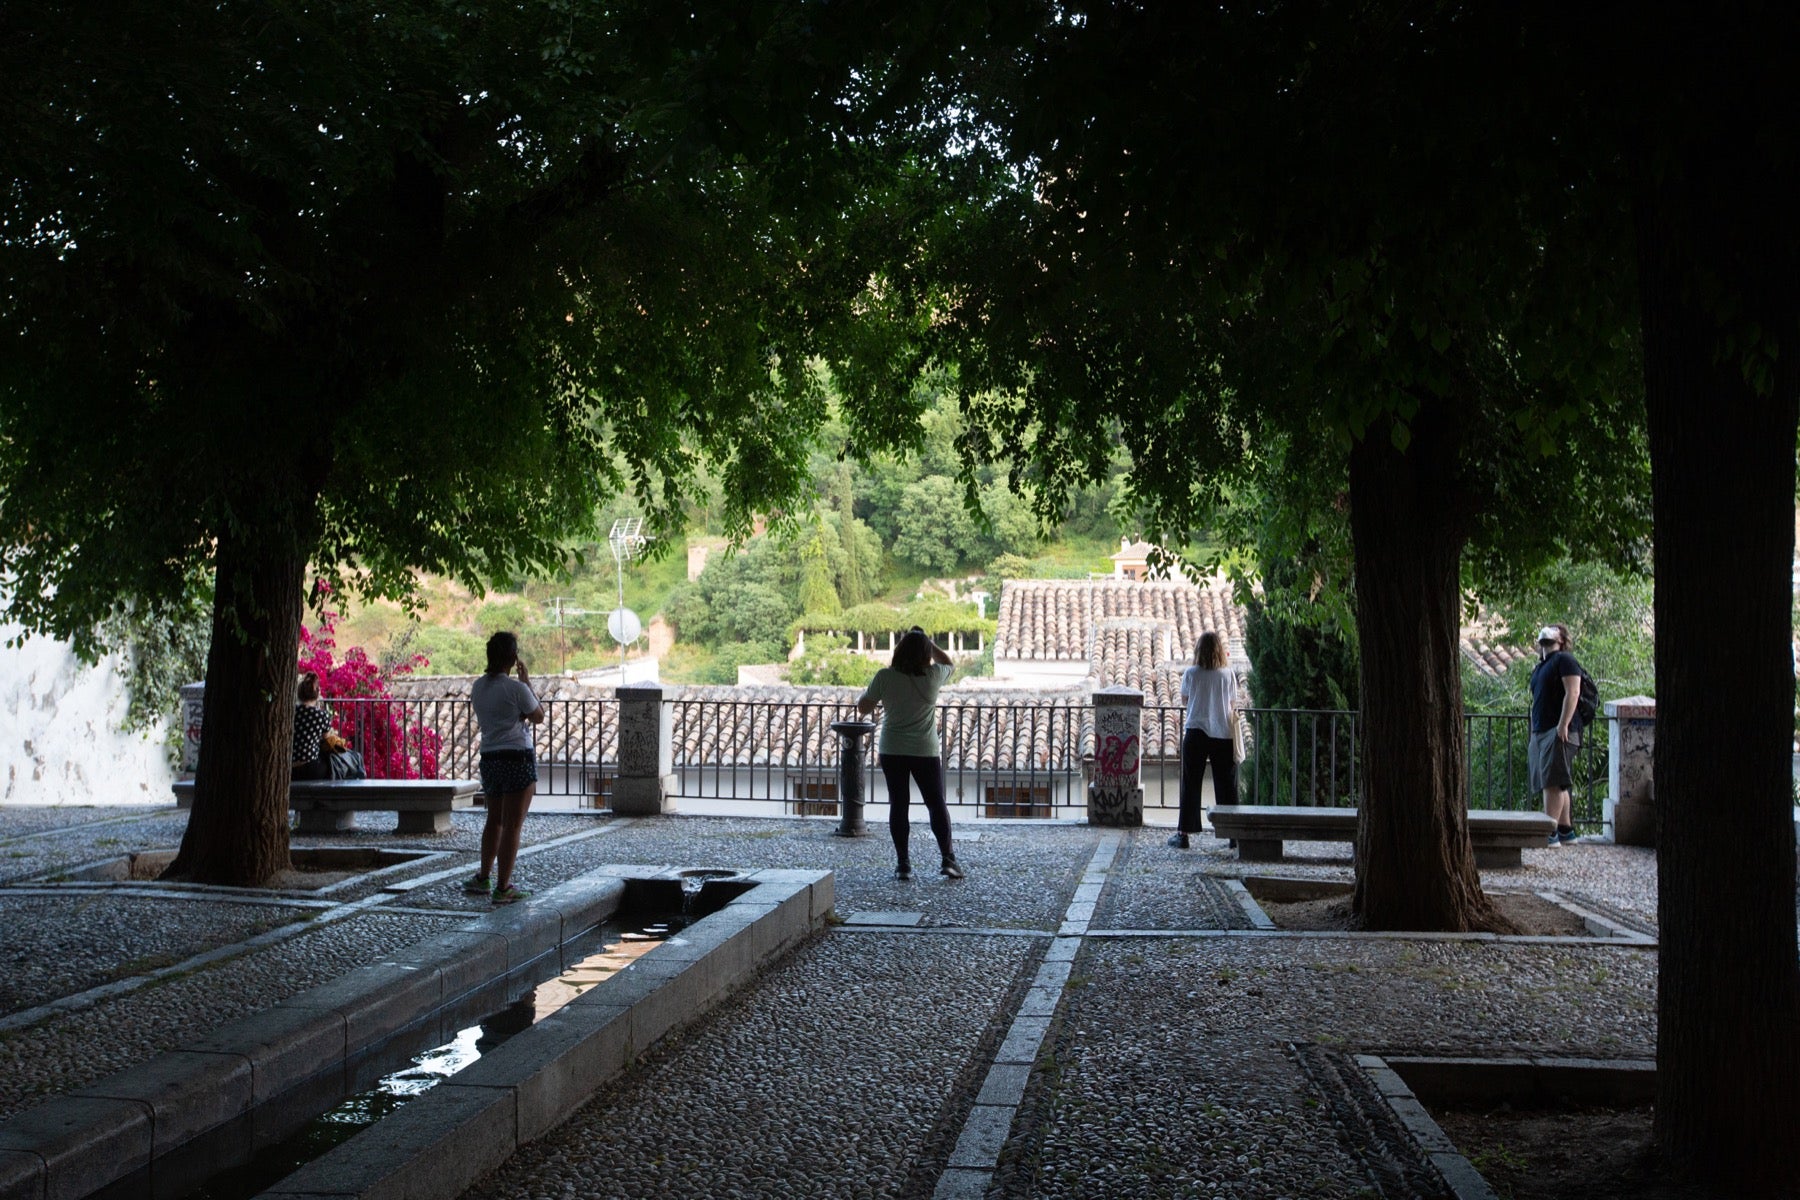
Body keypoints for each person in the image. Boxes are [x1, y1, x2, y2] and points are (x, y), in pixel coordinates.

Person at [857, 627, 964, 881]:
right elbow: (949, 662)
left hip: (892, 749)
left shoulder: (885, 677)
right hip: (924, 750)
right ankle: (948, 859)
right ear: (926, 654)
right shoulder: (933, 675)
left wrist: (873, 694)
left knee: (898, 804)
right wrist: (929, 642)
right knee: (936, 804)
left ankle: (903, 864)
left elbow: (863, 707)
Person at [466, 632, 545, 903]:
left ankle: (483, 877)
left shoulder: (478, 687)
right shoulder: (516, 689)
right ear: (513, 657)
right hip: (516, 758)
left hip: (490, 758)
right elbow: (538, 716)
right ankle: (503, 887)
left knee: (494, 819)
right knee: (513, 825)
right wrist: (526, 682)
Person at [1169, 631, 1239, 849]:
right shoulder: (1227, 675)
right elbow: (1233, 703)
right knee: (1227, 785)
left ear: (1199, 650)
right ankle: (1233, 835)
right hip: (1222, 733)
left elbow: (1185, 699)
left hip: (1196, 732)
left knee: (1191, 783)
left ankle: (1184, 834)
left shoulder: (1191, 673)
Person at [1529, 623, 1583, 847]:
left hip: (1559, 731)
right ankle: (1565, 830)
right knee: (1555, 781)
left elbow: (1573, 692)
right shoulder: (1541, 666)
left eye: (1554, 630)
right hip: (1542, 731)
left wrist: (1563, 725)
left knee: (1552, 783)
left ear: (1561, 640)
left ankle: (1549, 834)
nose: (1547, 632)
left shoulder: (1565, 660)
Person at [291, 672, 332, 781]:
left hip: (290, 768)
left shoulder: (291, 713)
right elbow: (327, 739)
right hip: (311, 768)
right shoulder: (322, 715)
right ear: (317, 693)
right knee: (332, 763)